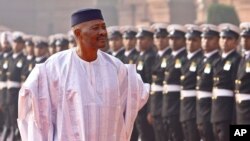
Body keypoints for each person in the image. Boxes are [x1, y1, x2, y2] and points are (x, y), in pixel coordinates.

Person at [17, 8, 149, 141]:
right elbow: (33, 101)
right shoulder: (55, 67)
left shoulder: (116, 67)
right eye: (95, 28)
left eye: (103, 27)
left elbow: (137, 94)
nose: (103, 32)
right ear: (78, 33)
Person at [211, 23, 241, 141]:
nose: (225, 41)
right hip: (216, 110)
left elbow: (236, 88)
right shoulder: (218, 60)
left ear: (235, 42)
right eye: (223, 38)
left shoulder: (236, 60)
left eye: (229, 38)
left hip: (228, 110)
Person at [196, 24, 220, 141]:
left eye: (210, 39)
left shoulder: (218, 60)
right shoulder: (202, 60)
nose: (206, 41)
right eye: (204, 38)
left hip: (211, 108)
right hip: (200, 107)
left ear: (217, 41)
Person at [180, 24, 202, 141]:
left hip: (195, 106)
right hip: (184, 106)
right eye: (188, 39)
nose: (190, 43)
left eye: (194, 40)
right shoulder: (185, 59)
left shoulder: (200, 59)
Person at [150, 23, 171, 141]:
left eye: (163, 37)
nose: (160, 40)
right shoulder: (156, 56)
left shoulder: (169, 56)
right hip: (155, 104)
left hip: (165, 104)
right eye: (157, 37)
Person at [235, 22, 250, 124]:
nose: (245, 40)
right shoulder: (243, 58)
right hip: (240, 107)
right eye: (243, 37)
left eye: (248, 37)